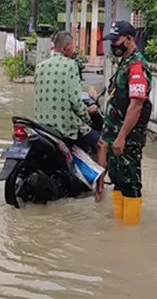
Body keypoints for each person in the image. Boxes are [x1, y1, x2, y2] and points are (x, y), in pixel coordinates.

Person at [35, 31, 106, 195]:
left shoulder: (40, 66)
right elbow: (75, 101)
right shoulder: (70, 65)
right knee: (102, 144)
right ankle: (100, 189)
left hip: (42, 125)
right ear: (66, 47)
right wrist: (87, 115)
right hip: (65, 125)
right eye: (72, 47)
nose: (73, 51)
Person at [102, 21, 152, 225]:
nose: (113, 44)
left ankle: (129, 234)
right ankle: (119, 227)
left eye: (117, 40)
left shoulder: (137, 66)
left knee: (130, 184)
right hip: (116, 137)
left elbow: (136, 105)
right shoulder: (124, 62)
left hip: (128, 139)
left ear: (129, 39)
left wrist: (122, 137)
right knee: (119, 182)